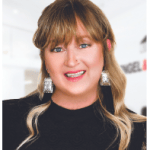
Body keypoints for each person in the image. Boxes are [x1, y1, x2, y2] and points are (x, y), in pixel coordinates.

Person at [3, 0, 146, 150]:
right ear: (44, 59)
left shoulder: (140, 131)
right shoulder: (6, 117)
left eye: (83, 45)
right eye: (57, 49)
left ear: (106, 49)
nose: (71, 61)